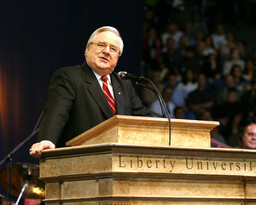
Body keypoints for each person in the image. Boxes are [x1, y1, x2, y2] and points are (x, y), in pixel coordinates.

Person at [30, 26, 151, 158]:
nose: (106, 51)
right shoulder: (70, 77)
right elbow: (57, 112)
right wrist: (47, 140)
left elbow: (144, 119)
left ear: (117, 57)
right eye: (101, 45)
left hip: (118, 162)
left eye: (113, 49)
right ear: (88, 50)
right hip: (80, 161)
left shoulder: (124, 84)